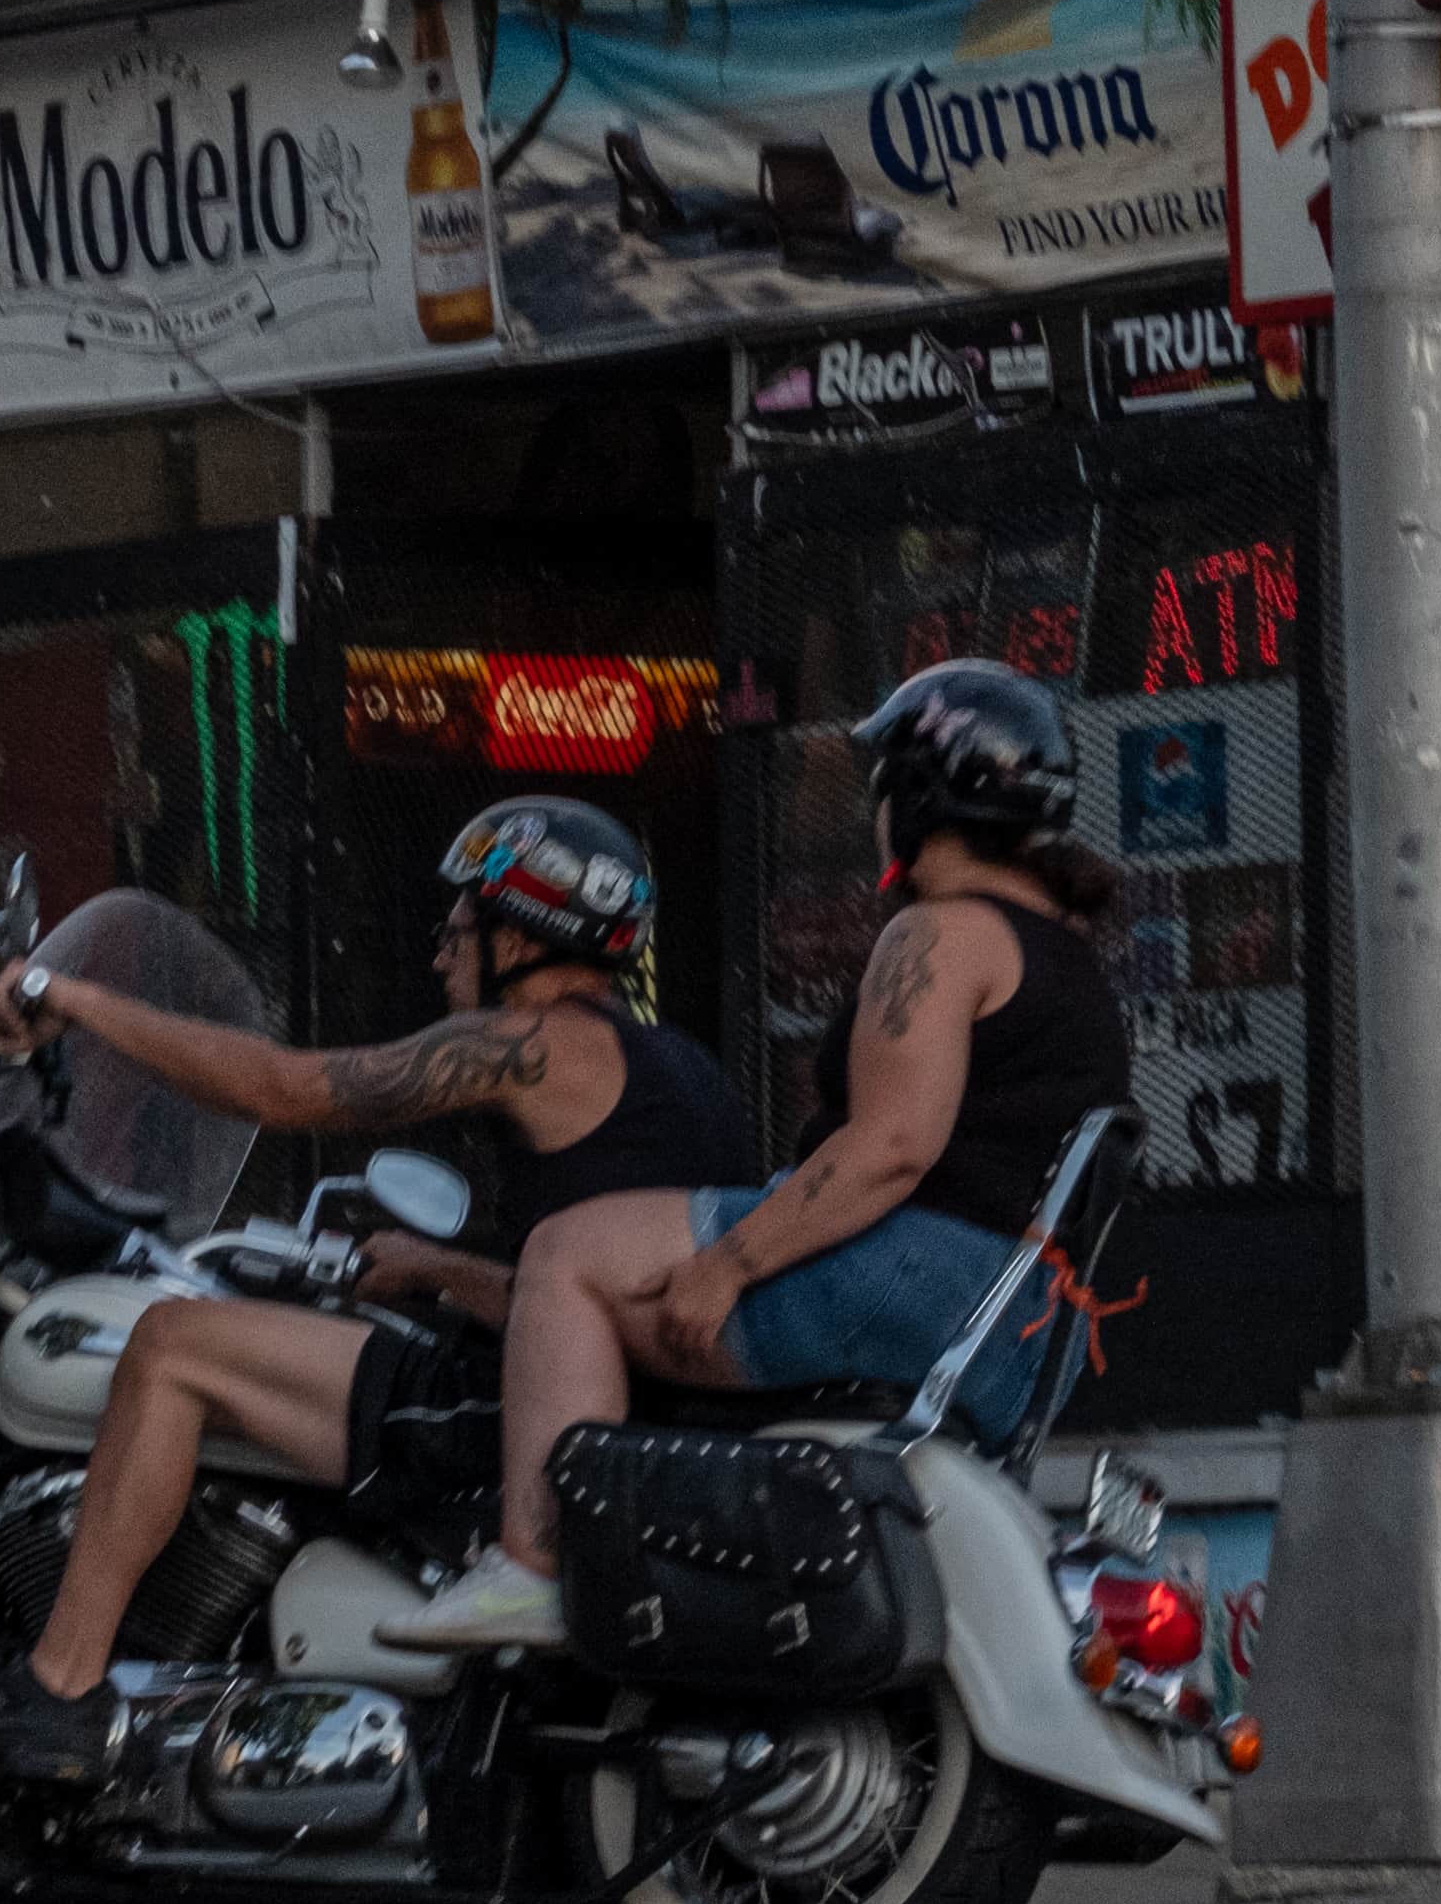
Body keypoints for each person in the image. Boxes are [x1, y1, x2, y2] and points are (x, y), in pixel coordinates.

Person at [0, 795, 754, 1771]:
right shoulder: (679, 1065)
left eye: (460, 925)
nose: (441, 951)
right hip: (614, 1410)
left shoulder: (534, 1044)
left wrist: (74, 1001)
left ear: (522, 932)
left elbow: (289, 1088)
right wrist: (444, 1271)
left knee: (172, 1345)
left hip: (504, 1421)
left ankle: (59, 1687)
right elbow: (605, 1303)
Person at [480, 659, 1134, 1626]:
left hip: (927, 1284)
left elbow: (890, 1149)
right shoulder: (1066, 955)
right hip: (1027, 1333)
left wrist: (729, 1265)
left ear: (916, 798)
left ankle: (529, 1571)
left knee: (566, 1254)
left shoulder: (939, 935)